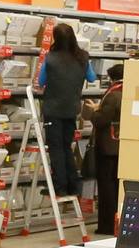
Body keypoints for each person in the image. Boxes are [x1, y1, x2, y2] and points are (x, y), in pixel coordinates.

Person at [38, 22, 96, 196]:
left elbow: (41, 82)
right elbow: (92, 78)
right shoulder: (83, 57)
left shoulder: (50, 58)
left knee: (56, 149)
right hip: (71, 110)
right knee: (66, 147)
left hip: (53, 110)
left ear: (56, 38)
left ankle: (60, 186)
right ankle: (74, 185)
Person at [88, 63, 124, 236]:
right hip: (122, 147)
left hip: (108, 147)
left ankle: (106, 225)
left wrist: (93, 113)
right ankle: (119, 222)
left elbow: (102, 120)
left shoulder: (113, 94)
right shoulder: (129, 91)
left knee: (106, 187)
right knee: (118, 186)